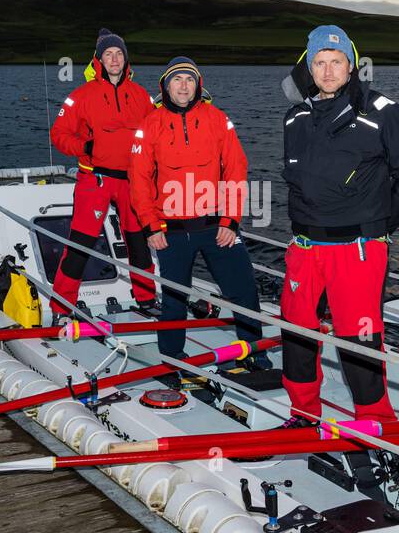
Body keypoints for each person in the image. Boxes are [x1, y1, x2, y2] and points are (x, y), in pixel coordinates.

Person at [279, 25, 399, 424]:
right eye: (319, 63)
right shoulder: (295, 119)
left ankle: (375, 422)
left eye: (336, 62)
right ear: (309, 69)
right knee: (296, 333)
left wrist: (378, 226)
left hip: (358, 249)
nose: (328, 71)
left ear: (352, 65)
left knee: (359, 338)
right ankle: (302, 415)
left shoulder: (386, 114)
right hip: (304, 248)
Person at [129, 57, 268, 368]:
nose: (183, 85)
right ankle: (172, 359)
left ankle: (253, 354)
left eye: (189, 79)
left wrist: (231, 220)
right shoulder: (149, 125)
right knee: (174, 299)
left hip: (216, 226)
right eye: (177, 79)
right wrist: (151, 227)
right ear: (165, 86)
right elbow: (138, 179)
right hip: (171, 231)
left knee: (243, 289)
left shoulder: (217, 119)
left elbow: (236, 168)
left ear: (198, 85)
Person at [49, 29, 157, 320]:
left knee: (138, 243)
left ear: (126, 59)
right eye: (108, 54)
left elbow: (154, 135)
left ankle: (146, 299)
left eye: (119, 54)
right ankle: (61, 307)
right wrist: (85, 146)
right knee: (81, 244)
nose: (114, 59)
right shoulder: (81, 96)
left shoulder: (140, 96)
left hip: (131, 181)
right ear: (98, 59)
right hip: (94, 179)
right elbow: (58, 134)